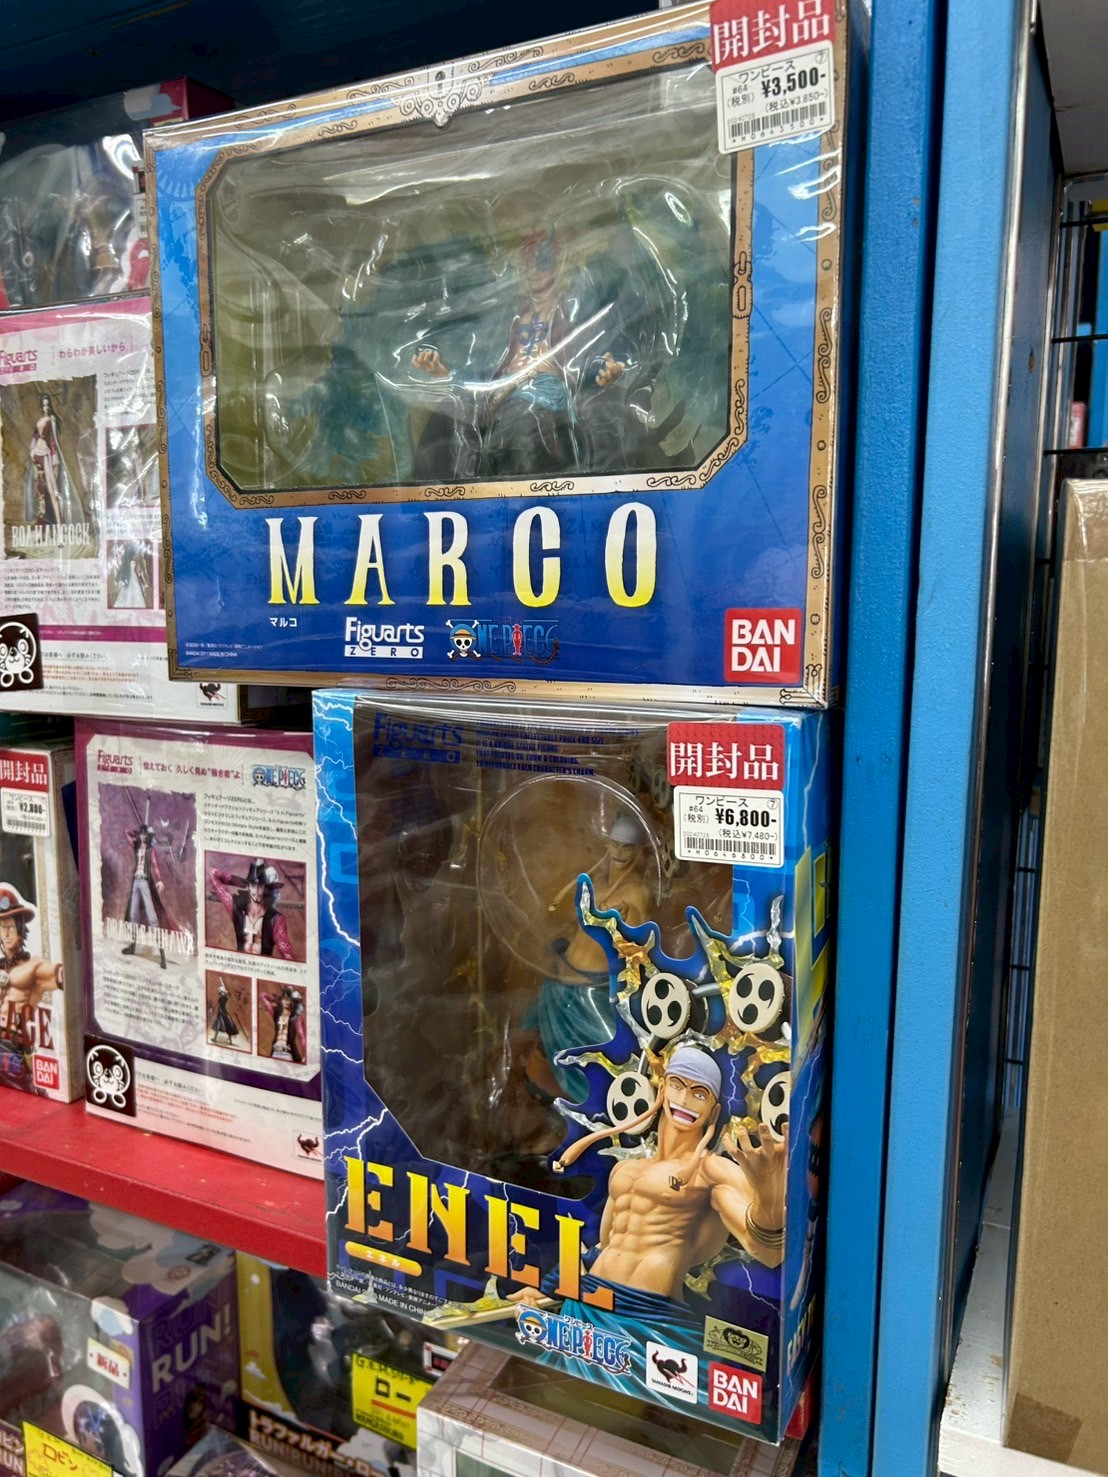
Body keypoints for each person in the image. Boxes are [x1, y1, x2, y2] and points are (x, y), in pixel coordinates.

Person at [512, 1045, 787, 1373]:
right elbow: (602, 1249)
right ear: (662, 1088)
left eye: (699, 1093)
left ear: (713, 1111)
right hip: (588, 1307)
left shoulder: (711, 1171)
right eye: (677, 1086)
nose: (684, 1100)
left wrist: (769, 1197)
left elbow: (768, 1252)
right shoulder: (625, 1170)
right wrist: (545, 1287)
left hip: (650, 1318)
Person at [411, 224, 627, 480]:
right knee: (445, 422)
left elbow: (586, 358)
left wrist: (605, 372)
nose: (534, 269)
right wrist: (447, 374)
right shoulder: (509, 317)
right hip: (501, 397)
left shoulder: (573, 311)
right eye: (528, 262)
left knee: (524, 428)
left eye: (543, 260)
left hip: (546, 394)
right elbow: (485, 369)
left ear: (559, 264)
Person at [526, 813, 652, 1104]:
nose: (620, 852)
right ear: (607, 844)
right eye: (615, 844)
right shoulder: (597, 884)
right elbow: (574, 926)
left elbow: (642, 948)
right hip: (562, 981)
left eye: (628, 847)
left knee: (611, 1059)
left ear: (640, 851)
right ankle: (554, 1107)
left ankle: (609, 1109)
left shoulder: (637, 893)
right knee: (545, 1058)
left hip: (594, 993)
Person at [0, 883, 62, 1093]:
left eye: (11, 927)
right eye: (2, 927)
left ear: (20, 930)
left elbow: (56, 973)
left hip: (13, 1050)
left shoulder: (33, 967)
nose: (6, 934)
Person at [209, 859, 293, 960]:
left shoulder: (276, 920)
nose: (256, 892)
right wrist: (240, 882)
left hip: (263, 968)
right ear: (249, 887)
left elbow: (289, 957)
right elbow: (213, 873)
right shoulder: (236, 908)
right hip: (240, 966)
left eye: (260, 886)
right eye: (253, 886)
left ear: (265, 888)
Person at [24, 392, 84, 527]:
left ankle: (59, 524)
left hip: (45, 454)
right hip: (36, 454)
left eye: (48, 405)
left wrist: (54, 457)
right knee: (39, 489)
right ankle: (42, 524)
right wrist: (32, 450)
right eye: (44, 405)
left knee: (51, 489)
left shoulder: (52, 419)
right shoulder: (39, 420)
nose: (46, 407)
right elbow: (34, 436)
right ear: (41, 407)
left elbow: (53, 441)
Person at [122, 822, 167, 969]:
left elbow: (154, 866)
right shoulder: (136, 847)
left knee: (152, 917)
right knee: (133, 915)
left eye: (144, 834)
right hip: (136, 882)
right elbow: (126, 832)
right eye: (141, 834)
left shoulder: (150, 850)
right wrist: (136, 832)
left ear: (148, 836)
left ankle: (162, 956)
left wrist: (159, 880)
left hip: (145, 883)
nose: (142, 836)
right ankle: (133, 946)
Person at [261, 985, 305, 1063]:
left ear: (292, 1001)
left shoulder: (296, 1018)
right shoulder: (276, 1013)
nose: (286, 1002)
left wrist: (306, 1056)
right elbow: (262, 995)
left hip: (288, 1053)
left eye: (288, 1000)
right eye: (284, 999)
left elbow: (302, 1037)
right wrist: (276, 999)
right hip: (275, 1052)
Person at [210, 978, 240, 1045]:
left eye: (219, 991)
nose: (219, 992)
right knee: (228, 1026)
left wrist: (212, 1009)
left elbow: (216, 1004)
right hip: (224, 1013)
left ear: (221, 992)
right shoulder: (225, 998)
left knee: (218, 1025)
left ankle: (215, 1038)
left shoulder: (222, 998)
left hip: (221, 1013)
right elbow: (228, 994)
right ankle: (230, 1041)